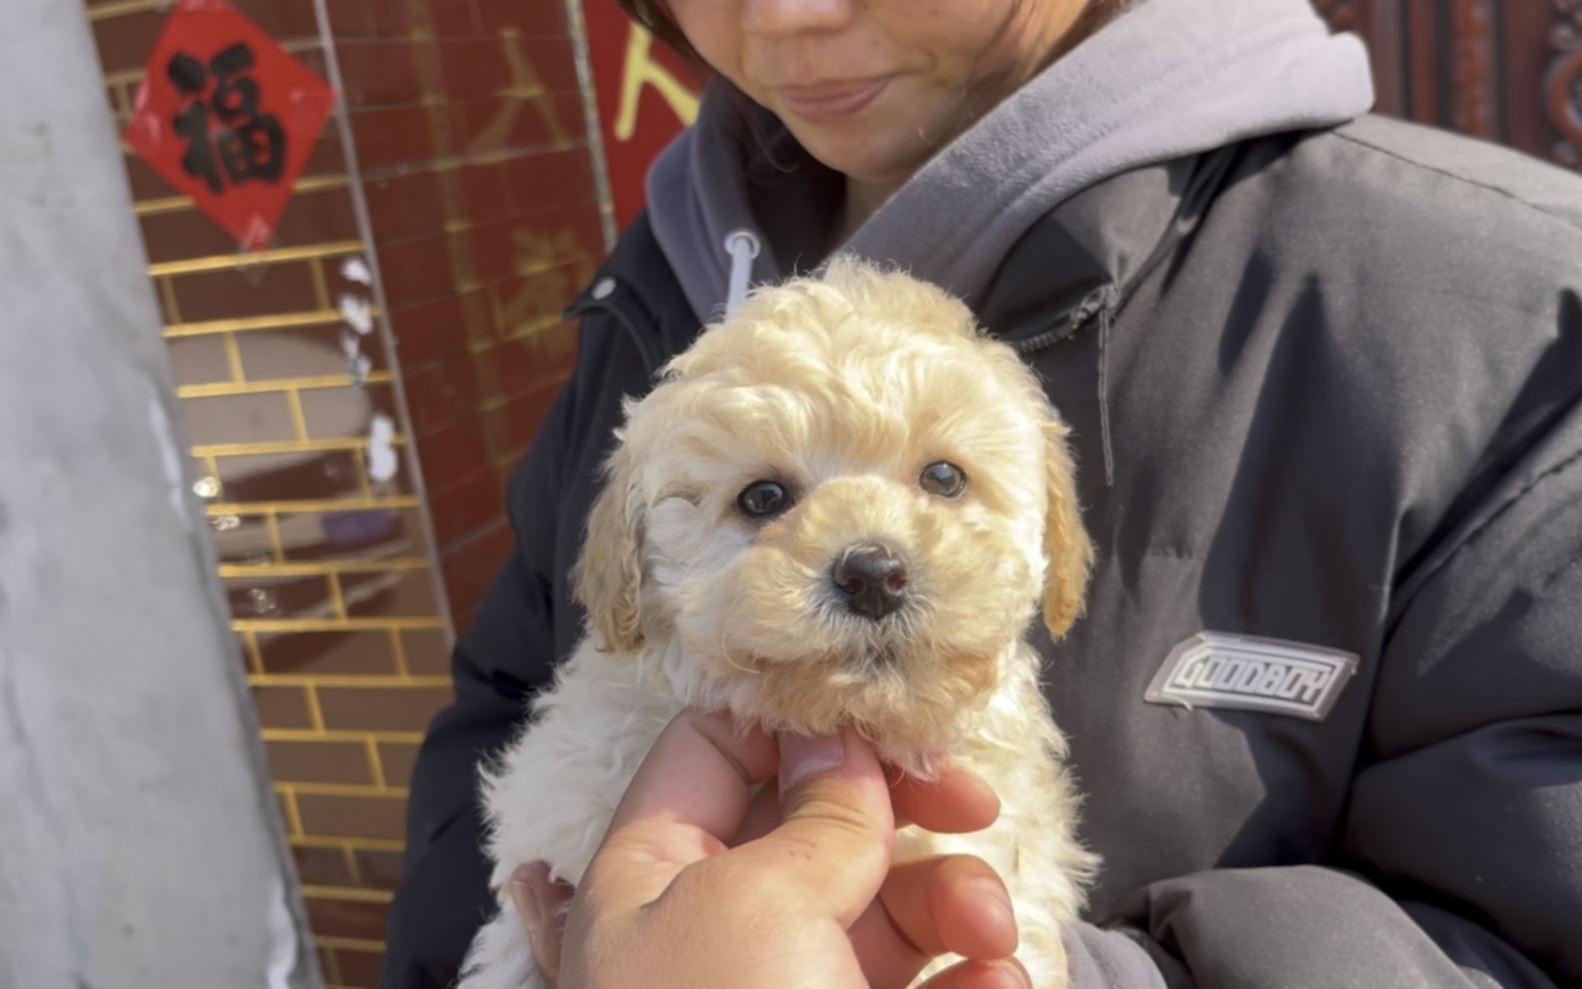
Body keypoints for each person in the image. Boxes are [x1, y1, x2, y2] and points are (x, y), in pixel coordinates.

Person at [382, 0, 1582, 984]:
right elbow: (505, 693)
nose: (789, 17)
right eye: (761, 496)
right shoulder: (653, 281)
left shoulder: (1518, 325)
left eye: (945, 478)